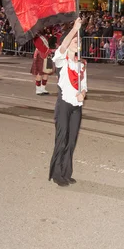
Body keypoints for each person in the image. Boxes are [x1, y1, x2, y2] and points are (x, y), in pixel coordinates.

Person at [49, 17, 87, 187]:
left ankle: (66, 172)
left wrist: (83, 94)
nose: (76, 42)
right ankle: (57, 174)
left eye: (78, 40)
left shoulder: (81, 64)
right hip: (64, 104)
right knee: (61, 139)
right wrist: (74, 28)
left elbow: (84, 85)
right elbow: (63, 47)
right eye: (74, 40)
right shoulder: (61, 61)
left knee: (71, 141)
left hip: (76, 107)